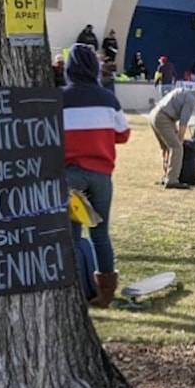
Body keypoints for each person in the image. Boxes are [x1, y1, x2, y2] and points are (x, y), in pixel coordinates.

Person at [61, 43, 131, 308]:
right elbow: (122, 135)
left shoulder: (60, 98)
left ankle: (73, 287)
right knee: (101, 235)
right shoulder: (108, 99)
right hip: (102, 175)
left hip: (70, 176)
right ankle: (106, 293)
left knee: (72, 235)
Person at [148, 85, 195, 189]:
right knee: (176, 148)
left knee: (167, 148)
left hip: (155, 114)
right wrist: (180, 140)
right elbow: (183, 122)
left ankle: (166, 176)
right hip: (163, 117)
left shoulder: (182, 91)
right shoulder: (190, 100)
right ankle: (172, 180)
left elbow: (172, 114)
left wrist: (176, 132)